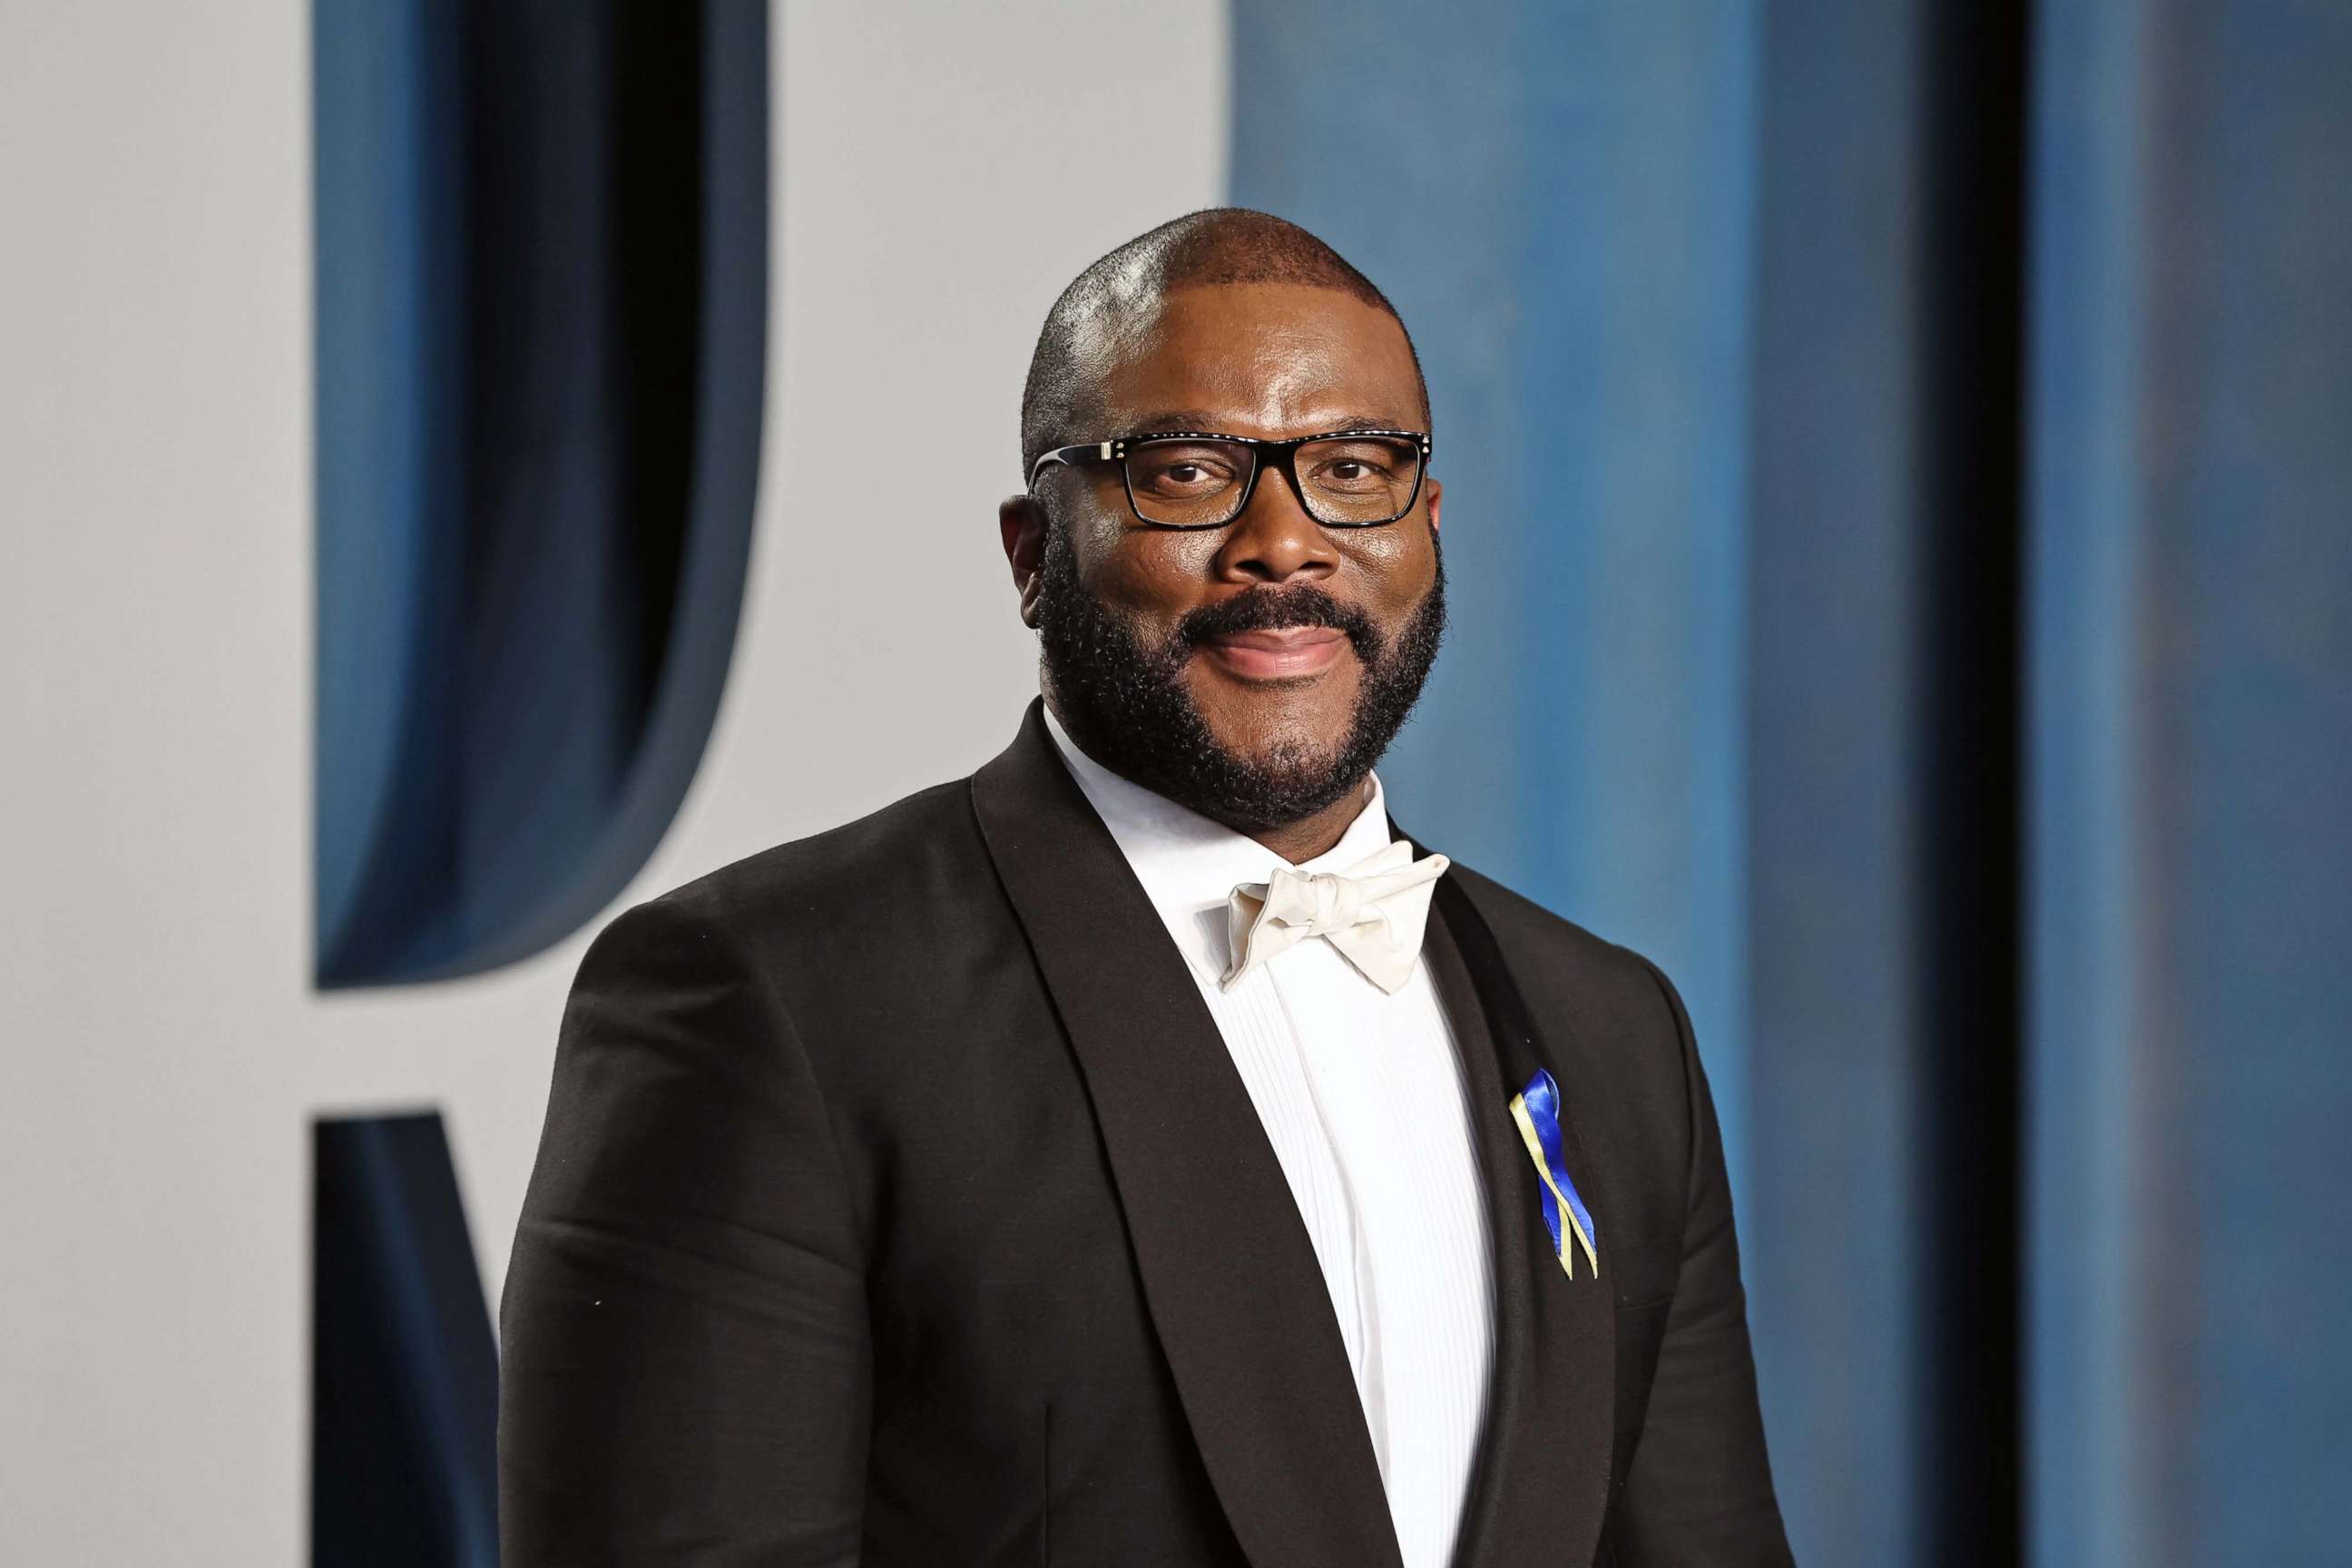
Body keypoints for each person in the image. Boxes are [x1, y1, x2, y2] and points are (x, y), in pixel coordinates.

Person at [499, 208, 1792, 1567]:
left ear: (1426, 523)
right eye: (1187, 473)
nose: (1286, 544)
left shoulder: (1613, 1033)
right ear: (1029, 553)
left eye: (1354, 468)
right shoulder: (771, 1002)